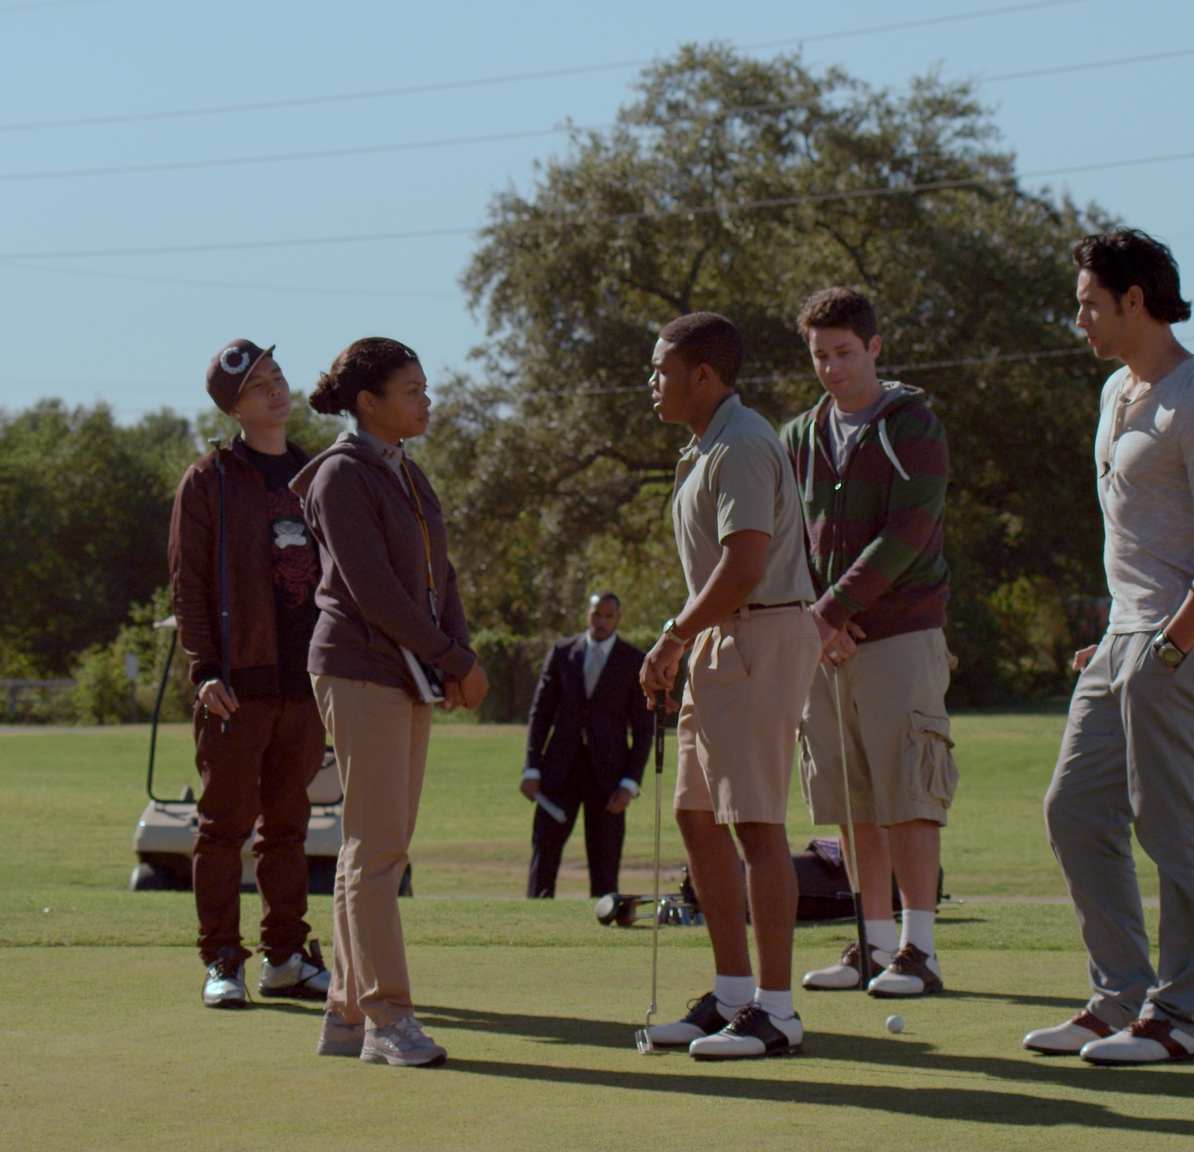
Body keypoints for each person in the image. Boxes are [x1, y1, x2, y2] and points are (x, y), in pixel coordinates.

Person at [1024, 229, 1194, 1065]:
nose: (1078, 317)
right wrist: (1119, 637)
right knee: (1075, 809)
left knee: (1171, 824)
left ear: (1134, 301)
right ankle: (1120, 996)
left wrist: (1167, 646)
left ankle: (1184, 1014)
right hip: (1123, 638)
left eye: (1090, 302)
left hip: (1176, 643)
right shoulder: (1117, 391)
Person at [293, 337, 489, 1068]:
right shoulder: (341, 475)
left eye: (424, 387)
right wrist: (452, 660)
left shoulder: (408, 471)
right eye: (411, 390)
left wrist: (457, 654)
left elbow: (444, 575)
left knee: (375, 848)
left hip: (405, 673)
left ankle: (347, 1020)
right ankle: (387, 1019)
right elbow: (373, 591)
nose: (426, 400)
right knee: (376, 853)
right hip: (358, 666)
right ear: (367, 403)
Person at [637, 312, 822, 1061]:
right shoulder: (705, 446)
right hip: (721, 639)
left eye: (661, 371)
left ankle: (776, 1012)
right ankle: (734, 993)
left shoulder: (743, 444)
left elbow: (743, 565)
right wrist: (688, 637)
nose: (652, 383)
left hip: (758, 634)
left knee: (755, 825)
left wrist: (674, 636)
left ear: (703, 376)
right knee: (696, 818)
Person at [779, 287, 956, 998]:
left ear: (875, 348)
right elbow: (787, 535)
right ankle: (874, 944)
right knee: (851, 800)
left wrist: (831, 611)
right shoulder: (799, 435)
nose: (831, 368)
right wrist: (814, 620)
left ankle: (921, 950)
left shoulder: (913, 423)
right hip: (825, 642)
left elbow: (909, 531)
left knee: (907, 793)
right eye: (819, 355)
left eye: (844, 353)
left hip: (900, 634)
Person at [168, 338, 332, 1010]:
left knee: (290, 827)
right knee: (224, 826)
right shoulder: (208, 479)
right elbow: (189, 582)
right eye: (258, 384)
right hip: (237, 683)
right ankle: (222, 962)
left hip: (306, 681)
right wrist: (204, 668)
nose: (276, 390)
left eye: (278, 376)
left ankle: (287, 956)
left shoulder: (317, 473)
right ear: (233, 405)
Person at [521, 591, 651, 898]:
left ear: (618, 619)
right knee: (544, 856)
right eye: (596, 615)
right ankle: (536, 923)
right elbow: (540, 715)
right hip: (558, 773)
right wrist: (531, 769)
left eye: (608, 616)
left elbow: (644, 731)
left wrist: (630, 784)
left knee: (605, 865)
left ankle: (603, 927)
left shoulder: (634, 660)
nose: (601, 622)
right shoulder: (562, 652)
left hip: (608, 779)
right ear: (587, 615)